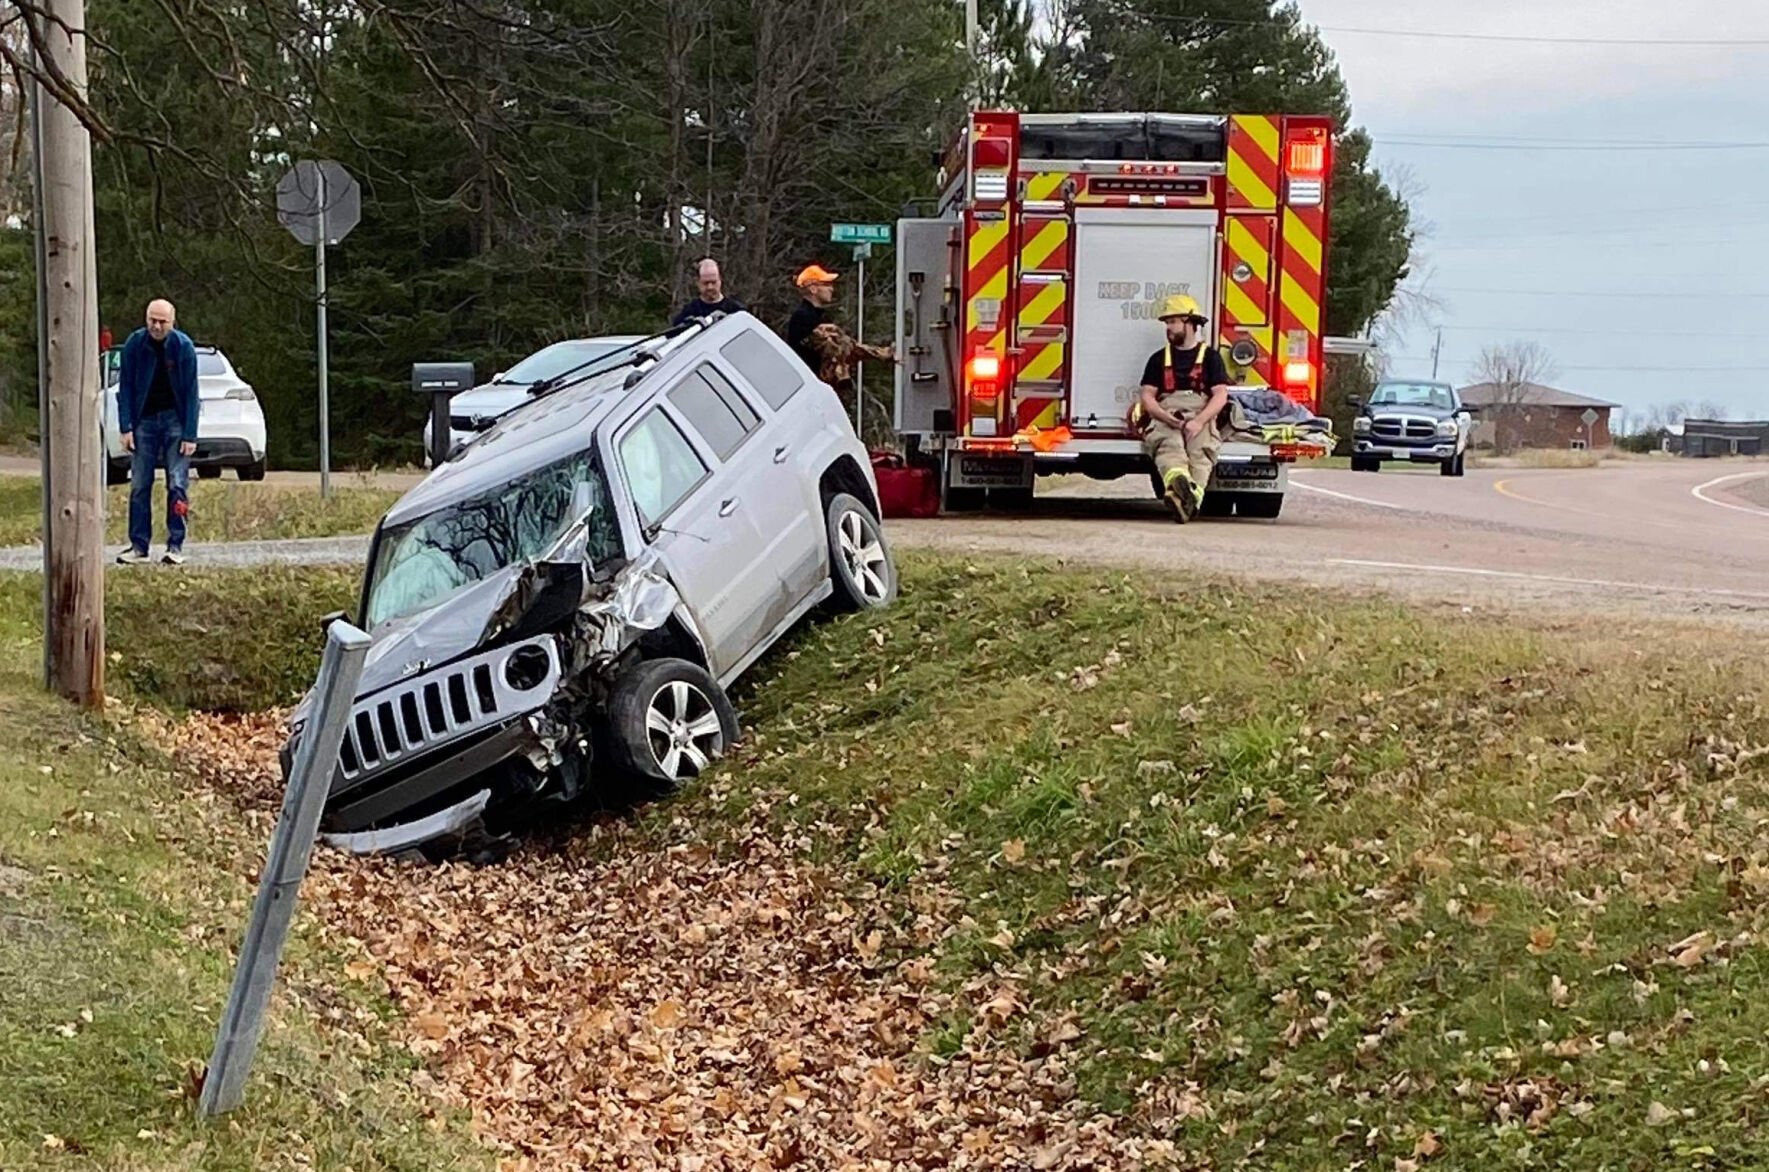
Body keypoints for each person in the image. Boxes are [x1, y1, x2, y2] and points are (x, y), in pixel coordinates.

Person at [115, 299, 200, 564]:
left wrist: (190, 433)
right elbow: (125, 387)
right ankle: (139, 546)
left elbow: (191, 393)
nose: (156, 326)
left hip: (175, 420)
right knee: (140, 484)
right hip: (145, 421)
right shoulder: (135, 345)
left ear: (172, 322)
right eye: (152, 320)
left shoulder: (183, 347)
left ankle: (175, 545)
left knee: (177, 482)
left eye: (162, 321)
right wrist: (126, 427)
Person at [1137, 293, 1230, 524]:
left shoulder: (1211, 358)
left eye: (1172, 322)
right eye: (1167, 323)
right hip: (1166, 413)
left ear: (1189, 323)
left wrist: (1200, 422)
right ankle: (1180, 485)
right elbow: (1147, 396)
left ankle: (1186, 499)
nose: (1168, 328)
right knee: (1169, 446)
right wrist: (1165, 418)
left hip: (1201, 412)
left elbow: (1220, 395)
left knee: (1202, 452)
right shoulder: (1157, 359)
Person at [785, 265, 894, 393]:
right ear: (813, 289)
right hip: (812, 389)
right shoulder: (804, 317)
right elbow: (844, 347)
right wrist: (882, 353)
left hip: (814, 388)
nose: (831, 289)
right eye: (826, 285)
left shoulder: (816, 316)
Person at [671, 258, 745, 325]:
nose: (710, 287)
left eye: (714, 282)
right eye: (705, 283)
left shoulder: (737, 312)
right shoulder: (688, 314)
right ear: (697, 282)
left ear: (720, 280)